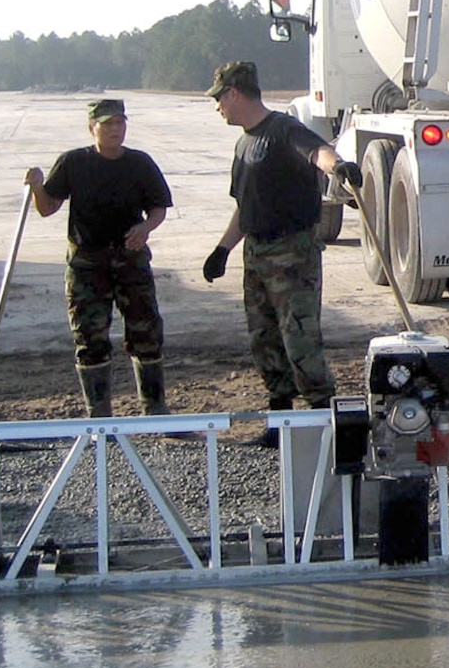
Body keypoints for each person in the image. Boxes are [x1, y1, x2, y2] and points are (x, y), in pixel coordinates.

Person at [202, 62, 363, 431]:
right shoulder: (244, 143)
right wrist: (223, 250)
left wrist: (338, 167)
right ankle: (279, 422)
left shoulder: (282, 128)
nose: (217, 108)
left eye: (219, 99)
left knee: (300, 340)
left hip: (292, 254)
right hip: (256, 254)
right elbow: (246, 207)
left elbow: (316, 150)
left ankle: (327, 420)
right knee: (264, 339)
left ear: (234, 94)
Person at [25, 99, 174, 417]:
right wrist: (38, 186)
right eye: (107, 124)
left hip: (131, 262)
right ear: (91, 126)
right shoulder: (73, 162)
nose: (115, 130)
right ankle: (99, 415)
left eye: (120, 123)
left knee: (146, 332)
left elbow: (159, 207)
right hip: (87, 266)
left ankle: (155, 411)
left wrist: (146, 228)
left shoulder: (140, 163)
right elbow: (47, 207)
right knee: (90, 338)